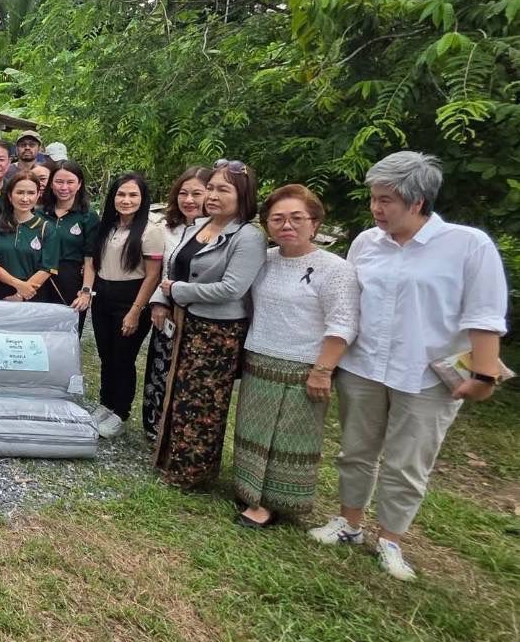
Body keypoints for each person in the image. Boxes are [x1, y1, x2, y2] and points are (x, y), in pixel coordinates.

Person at [310, 152, 508, 581]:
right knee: (355, 450)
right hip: (364, 367)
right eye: (374, 199)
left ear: (417, 202)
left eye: (386, 200)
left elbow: (485, 315)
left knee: (407, 461)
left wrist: (484, 374)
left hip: (424, 375)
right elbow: (349, 303)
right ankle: (349, 522)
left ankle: (390, 539)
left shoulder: (467, 245)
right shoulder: (366, 242)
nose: (376, 208)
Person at [232, 185, 359, 529]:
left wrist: (323, 370)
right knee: (254, 430)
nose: (286, 225)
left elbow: (343, 324)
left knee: (285, 437)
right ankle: (248, 490)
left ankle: (271, 503)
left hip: (303, 366)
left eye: (296, 218)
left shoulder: (334, 269)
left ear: (314, 223)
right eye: (277, 219)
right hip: (260, 357)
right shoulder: (265, 260)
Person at [149, 160, 265, 489]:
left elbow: (232, 289)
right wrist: (162, 298)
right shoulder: (198, 226)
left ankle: (193, 472)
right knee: (178, 392)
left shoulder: (248, 237)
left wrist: (179, 292)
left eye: (223, 190)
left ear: (242, 195)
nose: (212, 195)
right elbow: (173, 269)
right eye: (211, 188)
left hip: (217, 331)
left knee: (203, 401)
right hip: (185, 322)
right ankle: (171, 459)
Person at [88, 173, 163, 439]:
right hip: (103, 296)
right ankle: (106, 403)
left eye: (133, 195)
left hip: (131, 299)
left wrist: (135, 310)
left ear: (143, 199)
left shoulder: (150, 231)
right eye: (121, 194)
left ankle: (120, 412)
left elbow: (153, 275)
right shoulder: (108, 226)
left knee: (123, 357)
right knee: (106, 355)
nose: (126, 200)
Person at [142, 166, 214, 438]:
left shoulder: (221, 231)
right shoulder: (167, 228)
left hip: (204, 312)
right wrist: (159, 302)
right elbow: (162, 270)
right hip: (168, 309)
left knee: (193, 377)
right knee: (161, 368)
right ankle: (155, 427)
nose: (189, 200)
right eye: (183, 193)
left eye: (197, 193)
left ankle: (184, 433)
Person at [36, 160, 99, 323]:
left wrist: (86, 292)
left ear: (79, 184)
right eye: (59, 182)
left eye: (70, 182)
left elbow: (90, 258)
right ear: (51, 184)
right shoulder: (38, 214)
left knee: (67, 331)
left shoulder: (88, 216)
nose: (64, 187)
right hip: (39, 280)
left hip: (71, 280)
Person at [0, 171, 60, 301]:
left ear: (38, 195)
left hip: (34, 295)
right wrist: (18, 285)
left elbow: (47, 268)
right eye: (20, 192)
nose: (25, 199)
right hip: (0, 295)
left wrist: (20, 295)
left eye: (31, 193)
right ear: (10, 195)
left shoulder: (47, 228)